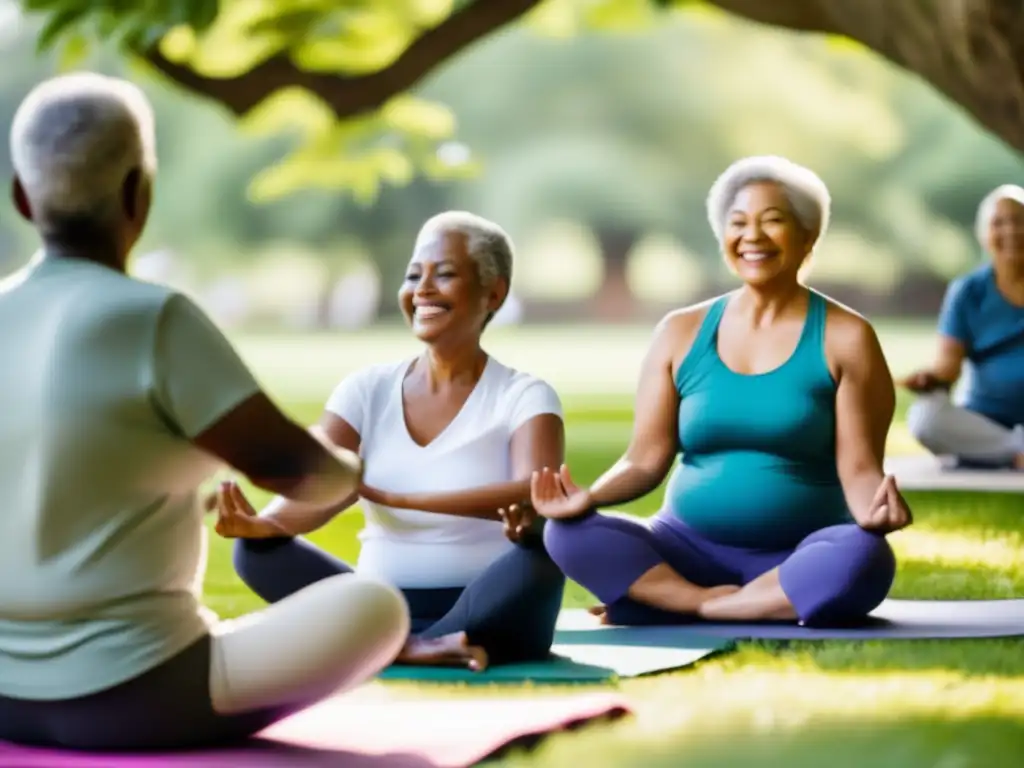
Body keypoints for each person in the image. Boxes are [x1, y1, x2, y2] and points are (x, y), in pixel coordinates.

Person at [0, 74, 410, 751]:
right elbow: (305, 476)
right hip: (140, 695)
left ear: (21, 195)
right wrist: (349, 459)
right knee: (375, 607)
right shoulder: (153, 319)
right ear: (141, 192)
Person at [531, 156, 911, 628]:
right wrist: (587, 500)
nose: (752, 236)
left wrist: (872, 513)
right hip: (685, 550)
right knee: (567, 535)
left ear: (808, 235)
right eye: (738, 223)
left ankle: (687, 604)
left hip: (798, 554)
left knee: (863, 556)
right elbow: (645, 458)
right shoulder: (680, 331)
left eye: (772, 221)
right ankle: (722, 602)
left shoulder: (846, 337)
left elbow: (858, 467)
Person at [227, 211, 566, 672]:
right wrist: (266, 523)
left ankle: (394, 643)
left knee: (544, 552)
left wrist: (404, 498)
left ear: (494, 292)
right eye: (413, 275)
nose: (422, 289)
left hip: (488, 602)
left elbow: (535, 489)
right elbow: (325, 483)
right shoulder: (365, 390)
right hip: (380, 603)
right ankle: (410, 643)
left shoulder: (524, 395)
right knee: (255, 551)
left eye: (444, 275)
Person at [900, 185, 1024, 470]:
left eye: (1019, 221)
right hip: (985, 420)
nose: (1011, 231)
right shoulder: (967, 291)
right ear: (984, 236)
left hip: (989, 436)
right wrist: (929, 378)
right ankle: (1013, 449)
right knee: (925, 418)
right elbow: (948, 366)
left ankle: (998, 454)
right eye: (999, 223)